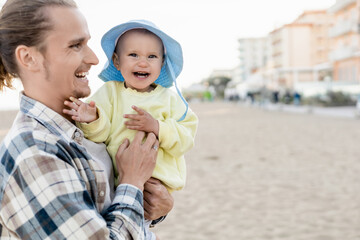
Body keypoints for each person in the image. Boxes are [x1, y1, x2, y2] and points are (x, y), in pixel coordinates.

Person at [0, 0, 173, 239]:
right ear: (28, 58)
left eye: (87, 43)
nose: (93, 58)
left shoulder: (83, 125)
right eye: (75, 45)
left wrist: (155, 207)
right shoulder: (34, 153)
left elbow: (105, 212)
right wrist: (132, 181)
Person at [63, 20, 198, 239]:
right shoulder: (109, 93)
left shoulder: (170, 100)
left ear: (163, 63)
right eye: (133, 55)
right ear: (116, 61)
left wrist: (158, 127)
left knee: (141, 225)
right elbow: (100, 136)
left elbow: (186, 138)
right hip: (120, 182)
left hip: (157, 183)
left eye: (152, 56)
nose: (143, 63)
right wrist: (93, 119)